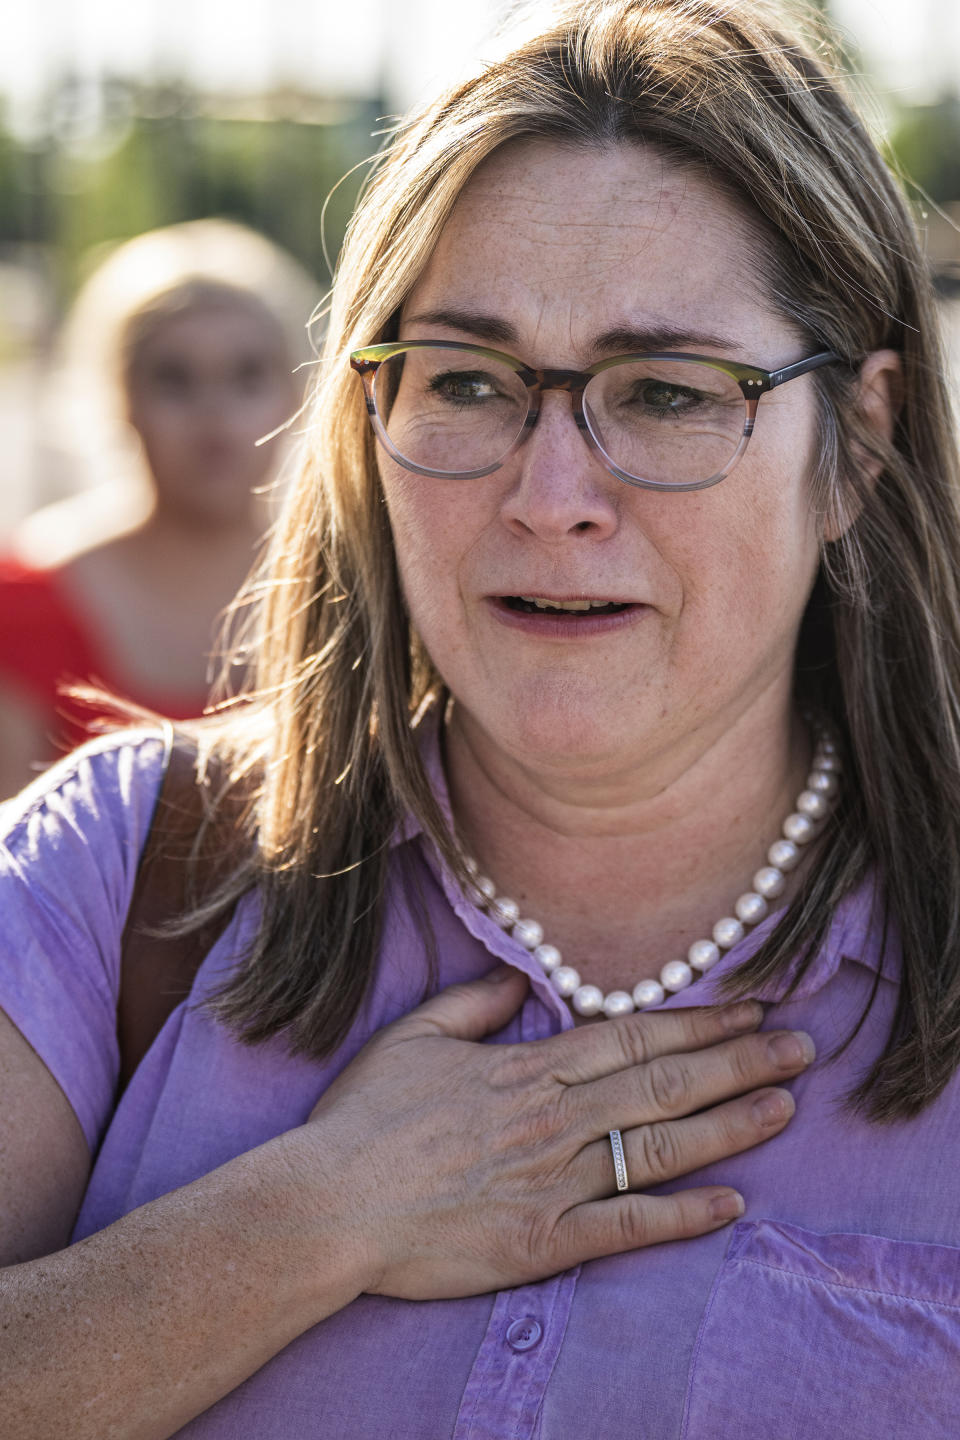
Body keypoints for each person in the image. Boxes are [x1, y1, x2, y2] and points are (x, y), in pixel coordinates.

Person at [1, 2, 959, 1435]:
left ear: (858, 446)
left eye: (664, 393)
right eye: (467, 379)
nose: (549, 493)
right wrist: (313, 1217)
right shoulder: (124, 874)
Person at [0, 219, 315, 797]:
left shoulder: (352, 587)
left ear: (297, 394)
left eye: (247, 375)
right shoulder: (25, 599)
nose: (214, 412)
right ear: (118, 395)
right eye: (174, 378)